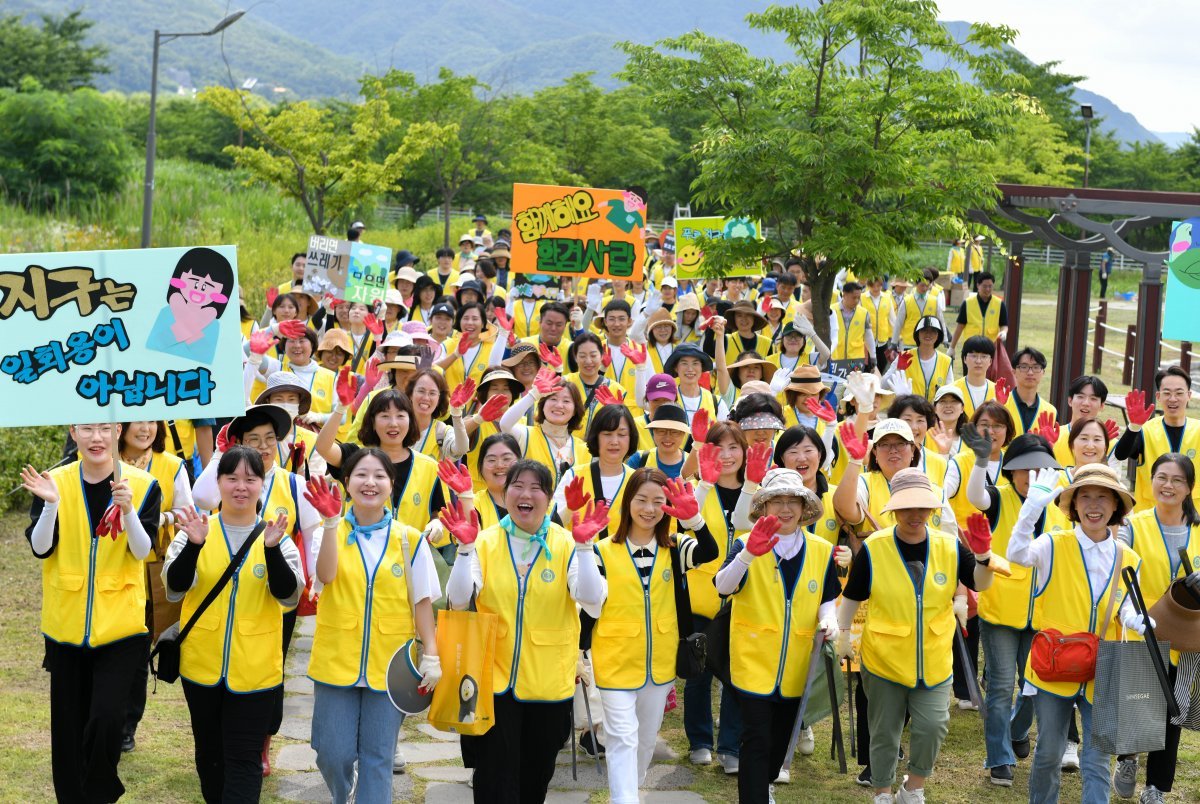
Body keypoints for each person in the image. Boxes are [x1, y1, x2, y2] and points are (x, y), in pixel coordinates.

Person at [442, 460, 606, 803]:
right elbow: (458, 600)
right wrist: (463, 549)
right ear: (505, 492)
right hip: (493, 680)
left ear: (548, 498)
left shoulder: (566, 543)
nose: (525, 494)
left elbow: (592, 600)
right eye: (517, 485)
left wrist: (586, 546)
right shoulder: (485, 541)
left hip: (549, 681)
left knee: (535, 777)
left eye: (536, 488)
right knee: (493, 778)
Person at [836, 468, 997, 804]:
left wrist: (983, 557)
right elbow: (852, 595)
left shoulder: (950, 547)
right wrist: (842, 635)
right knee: (883, 732)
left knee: (933, 725)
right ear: (894, 509)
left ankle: (913, 788)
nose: (914, 515)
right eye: (906, 507)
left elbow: (980, 583)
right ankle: (881, 791)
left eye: (922, 507)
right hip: (884, 659)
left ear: (932, 509)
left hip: (935, 659)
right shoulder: (875, 548)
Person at [23, 423, 162, 804]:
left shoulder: (144, 484)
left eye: (104, 428)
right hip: (66, 626)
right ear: (74, 431)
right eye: (87, 428)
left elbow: (141, 549)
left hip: (121, 627)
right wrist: (50, 505)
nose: (96, 437)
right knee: (67, 731)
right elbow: (40, 549)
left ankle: (100, 793)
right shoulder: (55, 481)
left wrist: (129, 509)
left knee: (105, 720)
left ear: (119, 429)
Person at [163, 446, 304, 803]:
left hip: (256, 671)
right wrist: (194, 546)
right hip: (201, 667)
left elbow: (289, 597)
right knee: (209, 756)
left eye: (250, 478)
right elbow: (175, 588)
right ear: (219, 482)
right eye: (232, 478)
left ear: (261, 484)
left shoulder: (277, 537)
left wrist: (272, 551)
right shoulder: (195, 530)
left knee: (243, 759)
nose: (241, 486)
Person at [1007, 463, 1151, 804]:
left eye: (1103, 497)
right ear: (1073, 506)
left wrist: (1136, 619)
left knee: (1098, 757)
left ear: (1116, 505)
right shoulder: (1052, 545)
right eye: (1085, 497)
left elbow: (1126, 604)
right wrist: (1030, 510)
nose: (1094, 505)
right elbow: (1015, 554)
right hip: (1053, 666)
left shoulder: (1128, 557)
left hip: (1102, 668)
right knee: (1049, 753)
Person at [305, 452, 441, 804]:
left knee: (378, 758)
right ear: (346, 483)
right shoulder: (328, 530)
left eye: (379, 476)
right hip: (336, 661)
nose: (370, 483)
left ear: (391, 485)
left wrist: (432, 653)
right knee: (332, 753)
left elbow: (422, 601)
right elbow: (325, 576)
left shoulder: (409, 539)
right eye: (360, 475)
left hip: (389, 665)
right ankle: (343, 792)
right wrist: (333, 523)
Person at [585, 469, 717, 804]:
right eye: (641, 499)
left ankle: (631, 787)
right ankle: (625, 799)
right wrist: (580, 653)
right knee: (621, 738)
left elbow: (710, 551)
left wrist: (695, 519)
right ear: (627, 502)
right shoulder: (601, 551)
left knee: (645, 740)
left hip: (659, 663)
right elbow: (587, 609)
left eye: (659, 501)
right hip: (613, 660)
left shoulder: (675, 548)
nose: (649, 508)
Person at [715, 470, 840, 802]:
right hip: (752, 660)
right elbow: (722, 587)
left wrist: (829, 620)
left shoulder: (822, 550)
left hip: (798, 664)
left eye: (792, 501)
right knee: (755, 738)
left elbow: (827, 598)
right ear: (764, 506)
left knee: (781, 739)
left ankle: (766, 781)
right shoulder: (745, 542)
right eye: (777, 501)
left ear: (803, 507)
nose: (785, 509)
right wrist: (747, 556)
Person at [963, 433, 1069, 787]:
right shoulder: (999, 499)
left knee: (1034, 686)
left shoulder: (1057, 507)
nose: (1031, 475)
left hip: (1042, 615)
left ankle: (1016, 729)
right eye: (1023, 468)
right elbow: (975, 496)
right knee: (1001, 685)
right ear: (1011, 470)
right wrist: (981, 461)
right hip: (1000, 612)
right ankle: (999, 758)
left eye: (1040, 467)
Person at [1115, 453, 1200, 803]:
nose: (1168, 485)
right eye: (1161, 477)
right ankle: (1129, 757)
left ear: (1189, 488)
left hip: (1187, 635)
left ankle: (1156, 788)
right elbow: (1118, 573)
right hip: (1143, 629)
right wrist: (1130, 614)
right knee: (1139, 705)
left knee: (1171, 712)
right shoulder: (1134, 525)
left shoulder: (1198, 528)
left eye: (1177, 480)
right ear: (1151, 480)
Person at [117, 421, 196, 753]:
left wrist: (158, 518)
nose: (146, 428)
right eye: (139, 422)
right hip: (116, 566)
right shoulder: (105, 459)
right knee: (117, 646)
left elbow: (187, 512)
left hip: (154, 568)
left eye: (153, 421)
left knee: (139, 648)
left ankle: (127, 725)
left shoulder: (171, 465)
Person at [1116, 367, 1200, 512]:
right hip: (1150, 518)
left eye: (1179, 393)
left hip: (1192, 518)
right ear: (1158, 396)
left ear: (1189, 395)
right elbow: (1121, 454)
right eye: (1167, 393)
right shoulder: (1146, 430)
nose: (1173, 399)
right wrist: (1134, 427)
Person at [553, 403, 638, 539]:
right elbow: (552, 526)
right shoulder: (574, 476)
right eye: (607, 434)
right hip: (578, 557)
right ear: (596, 437)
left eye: (622, 434)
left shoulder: (637, 480)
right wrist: (569, 509)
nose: (614, 441)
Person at [496, 369, 591, 485]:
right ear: (543, 405)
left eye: (566, 401)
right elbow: (505, 424)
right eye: (553, 399)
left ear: (575, 410)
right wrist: (534, 394)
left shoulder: (583, 449)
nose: (559, 405)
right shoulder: (526, 435)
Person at [883, 317, 953, 401]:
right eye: (924, 330)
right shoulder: (905, 357)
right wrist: (898, 369)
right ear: (917, 333)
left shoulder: (946, 361)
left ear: (938, 335)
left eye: (933, 331)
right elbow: (883, 385)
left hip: (934, 412)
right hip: (908, 410)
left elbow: (950, 392)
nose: (928, 334)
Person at [1051, 375, 1112, 468]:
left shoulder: (1111, 441)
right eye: (1080, 397)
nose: (1086, 403)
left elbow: (1112, 478)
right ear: (1070, 400)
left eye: (1093, 399)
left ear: (1102, 405)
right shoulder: (1053, 436)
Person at [950, 271, 1008, 355]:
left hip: (990, 348)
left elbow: (1004, 324)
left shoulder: (999, 304)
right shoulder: (967, 303)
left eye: (990, 286)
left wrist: (1004, 332)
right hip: (970, 348)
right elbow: (959, 327)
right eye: (984, 286)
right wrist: (952, 347)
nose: (988, 289)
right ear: (978, 286)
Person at [1005, 347, 1057, 436]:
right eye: (1024, 367)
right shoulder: (1001, 404)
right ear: (1014, 371)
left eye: (1036, 367)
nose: (1030, 372)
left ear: (1043, 373)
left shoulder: (1050, 411)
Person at [893, 268, 948, 349]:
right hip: (909, 343)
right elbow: (898, 322)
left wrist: (945, 339)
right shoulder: (907, 301)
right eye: (922, 285)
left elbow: (941, 321)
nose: (925, 288)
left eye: (927, 285)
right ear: (916, 284)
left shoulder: (934, 301)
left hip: (928, 343)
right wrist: (894, 341)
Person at [951, 335, 999, 418]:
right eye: (974, 356)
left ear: (990, 361)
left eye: (984, 356)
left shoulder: (998, 391)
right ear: (964, 359)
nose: (978, 361)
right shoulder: (952, 389)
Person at [829, 281, 875, 366]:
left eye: (859, 297)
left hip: (856, 360)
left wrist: (873, 356)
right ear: (844, 295)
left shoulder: (864, 313)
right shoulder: (831, 310)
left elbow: (869, 336)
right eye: (854, 297)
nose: (857, 300)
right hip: (835, 358)